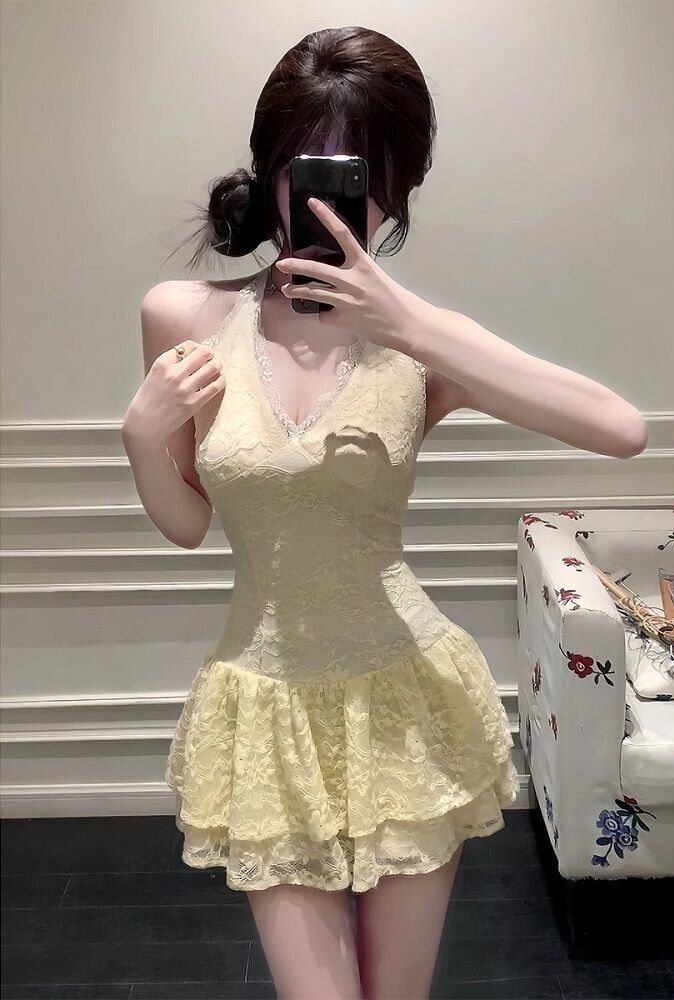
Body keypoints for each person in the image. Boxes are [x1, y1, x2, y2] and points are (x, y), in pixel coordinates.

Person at [121, 25, 647, 1000]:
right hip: (265, 705)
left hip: (407, 699)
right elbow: (187, 525)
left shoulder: (421, 347)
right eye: (301, 165)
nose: (320, 198)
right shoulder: (184, 316)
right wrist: (141, 437)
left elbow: (621, 428)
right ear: (269, 166)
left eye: (355, 171)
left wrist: (412, 324)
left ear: (396, 186)